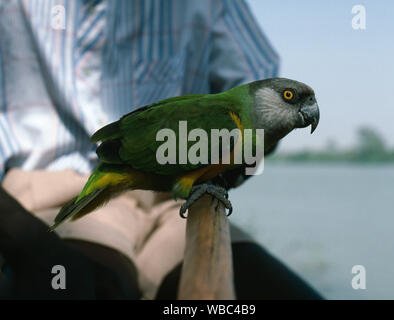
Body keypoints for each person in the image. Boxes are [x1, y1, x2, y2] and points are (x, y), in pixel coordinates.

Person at [0, 0, 322, 299]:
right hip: (45, 199)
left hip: (181, 201)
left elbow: (255, 75)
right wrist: (17, 226)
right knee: (77, 284)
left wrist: (231, 163)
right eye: (292, 98)